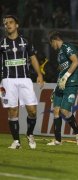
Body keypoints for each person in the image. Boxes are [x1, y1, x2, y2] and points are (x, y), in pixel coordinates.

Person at [0, 15, 44, 149]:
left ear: (17, 25)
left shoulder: (26, 41)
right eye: (5, 23)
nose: (8, 25)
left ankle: (30, 134)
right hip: (8, 80)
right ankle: (16, 141)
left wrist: (39, 74)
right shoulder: (1, 43)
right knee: (13, 110)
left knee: (32, 111)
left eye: (11, 22)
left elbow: (33, 58)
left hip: (25, 79)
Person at [47, 31, 78, 146]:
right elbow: (61, 71)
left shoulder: (66, 46)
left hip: (71, 83)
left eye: (51, 43)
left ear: (55, 40)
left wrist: (67, 76)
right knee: (56, 110)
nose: (52, 47)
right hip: (61, 84)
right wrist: (56, 87)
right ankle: (58, 140)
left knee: (64, 111)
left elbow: (76, 61)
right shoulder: (59, 54)